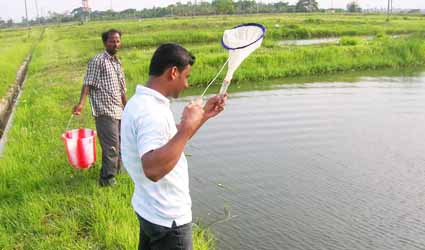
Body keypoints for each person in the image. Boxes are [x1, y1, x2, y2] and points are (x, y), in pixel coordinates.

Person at [121, 43, 227, 250]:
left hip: (150, 209)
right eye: (186, 77)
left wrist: (203, 115)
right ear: (173, 72)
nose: (187, 84)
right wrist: (187, 127)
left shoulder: (140, 102)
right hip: (168, 220)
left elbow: (170, 142)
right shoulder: (152, 113)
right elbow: (153, 169)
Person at [72, 29, 127, 187]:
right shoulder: (98, 60)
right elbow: (88, 83)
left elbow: (122, 90)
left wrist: (128, 109)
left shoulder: (117, 62)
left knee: (120, 144)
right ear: (105, 43)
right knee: (111, 146)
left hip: (119, 111)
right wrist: (81, 104)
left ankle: (117, 173)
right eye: (112, 41)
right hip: (104, 111)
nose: (115, 44)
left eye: (117, 41)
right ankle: (107, 180)